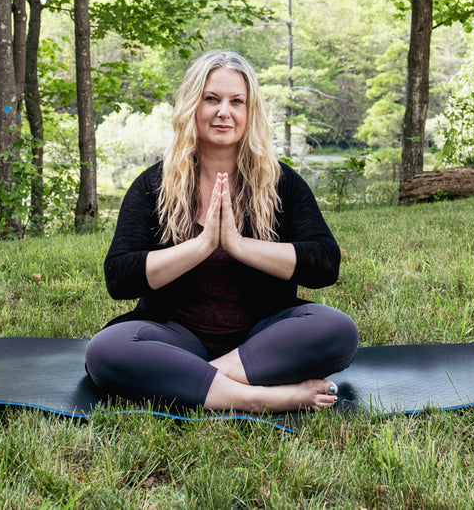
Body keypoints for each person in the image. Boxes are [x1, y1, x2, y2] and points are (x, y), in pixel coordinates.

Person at [85, 50, 359, 413]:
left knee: (337, 329)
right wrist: (201, 246)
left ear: (250, 112)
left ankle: (195, 382)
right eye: (211, 99)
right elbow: (119, 278)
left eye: (236, 101)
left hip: (262, 339)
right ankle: (258, 398)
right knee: (106, 350)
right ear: (192, 107)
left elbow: (325, 264)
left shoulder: (281, 183)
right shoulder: (154, 184)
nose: (223, 112)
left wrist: (239, 245)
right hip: (176, 337)